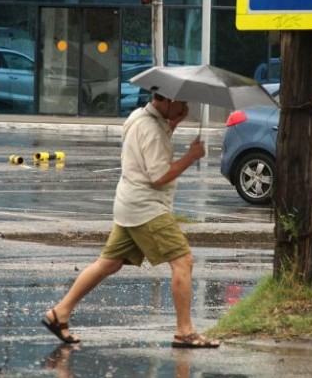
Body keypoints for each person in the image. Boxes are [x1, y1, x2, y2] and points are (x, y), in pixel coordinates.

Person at [42, 93, 221, 349]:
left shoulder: (139, 117)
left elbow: (147, 152)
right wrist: (191, 157)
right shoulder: (152, 128)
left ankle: (59, 313)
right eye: (182, 102)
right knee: (183, 261)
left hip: (129, 204)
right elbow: (159, 176)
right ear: (168, 101)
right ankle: (185, 332)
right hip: (147, 209)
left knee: (108, 263)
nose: (187, 107)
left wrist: (173, 125)